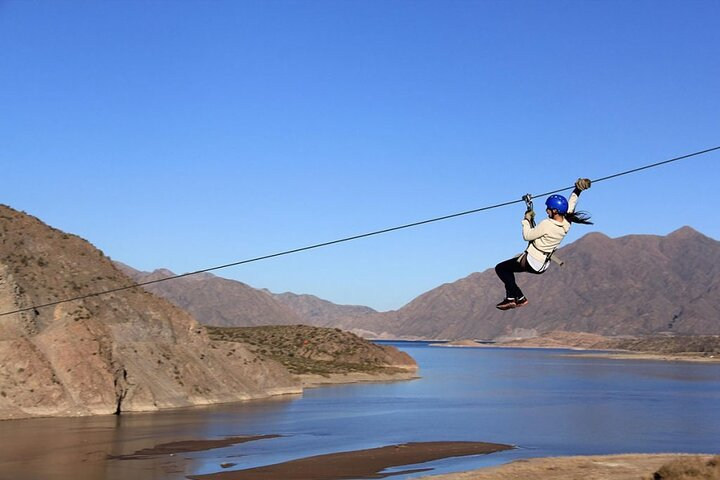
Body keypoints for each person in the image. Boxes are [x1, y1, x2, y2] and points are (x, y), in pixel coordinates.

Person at [494, 178, 593, 310]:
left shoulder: (547, 224)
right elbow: (571, 204)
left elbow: (527, 235)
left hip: (532, 260)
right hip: (543, 264)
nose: (546, 211)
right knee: (507, 269)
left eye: (548, 208)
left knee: (501, 269)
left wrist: (526, 220)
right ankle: (511, 298)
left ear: (555, 211)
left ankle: (519, 297)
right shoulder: (566, 223)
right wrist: (578, 190)